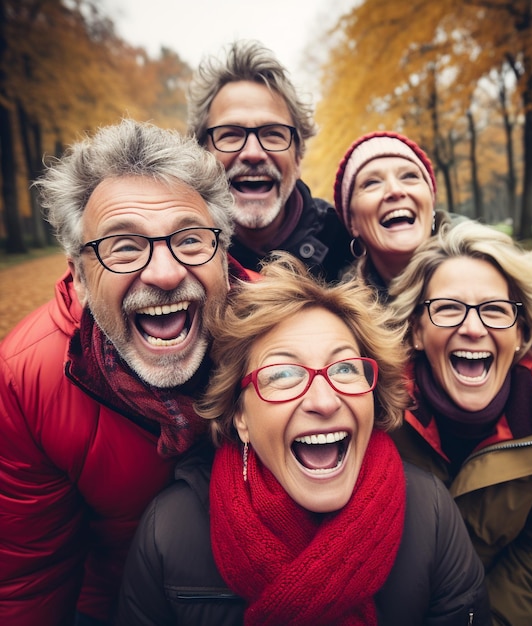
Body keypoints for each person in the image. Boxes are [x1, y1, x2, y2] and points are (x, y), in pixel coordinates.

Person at [115, 254, 491, 626]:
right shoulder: (168, 531)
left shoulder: (431, 513)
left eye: (344, 368)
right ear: (240, 417)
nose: (324, 401)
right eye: (282, 375)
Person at [0, 119, 253, 626]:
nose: (164, 273)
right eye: (124, 246)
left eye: (190, 239)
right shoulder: (27, 379)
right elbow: (32, 578)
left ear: (224, 255)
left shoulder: (284, 335)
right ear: (80, 275)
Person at [387, 220, 532, 626]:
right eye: (447, 308)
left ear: (520, 333)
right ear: (416, 331)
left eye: (494, 310)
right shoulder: (374, 409)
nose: (472, 327)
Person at [187, 39, 352, 281]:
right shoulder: (177, 253)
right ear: (204, 155)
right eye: (231, 134)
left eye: (273, 134)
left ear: (298, 157)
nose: (253, 153)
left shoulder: (348, 244)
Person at [333, 130, 449, 297]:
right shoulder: (342, 315)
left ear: (431, 203)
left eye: (409, 176)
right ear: (353, 222)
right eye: (372, 183)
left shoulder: (486, 273)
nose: (395, 190)